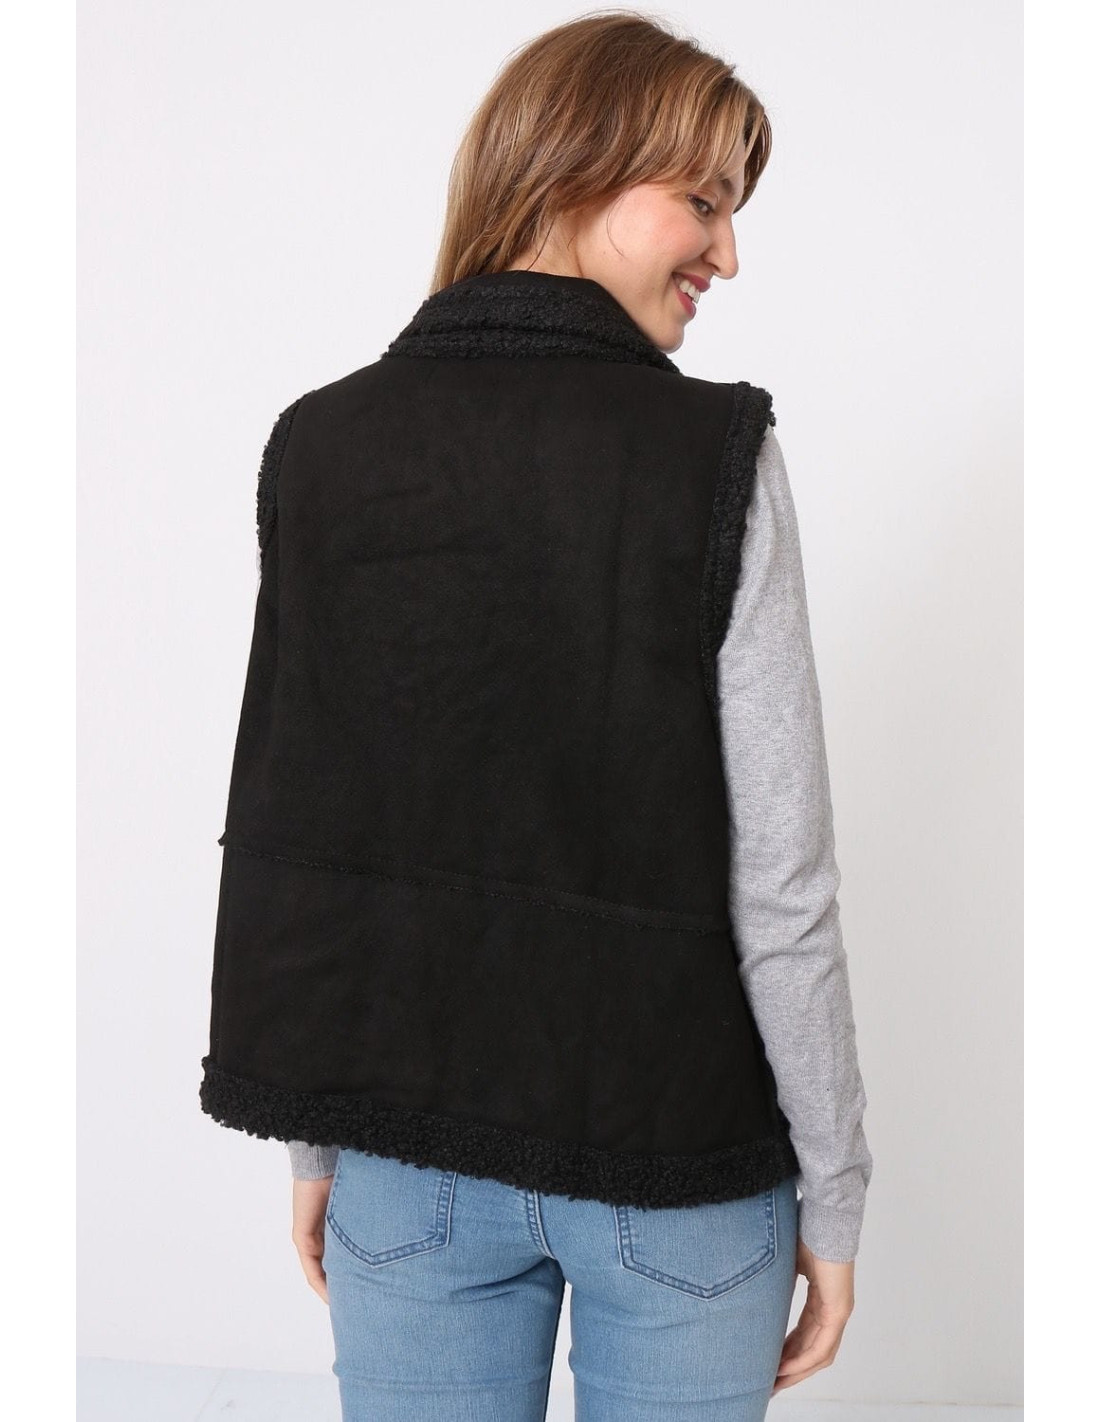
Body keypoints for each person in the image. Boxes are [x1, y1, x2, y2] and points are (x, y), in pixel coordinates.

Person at [199, 11, 873, 1420]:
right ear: (574, 173)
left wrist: (320, 1139)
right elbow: (783, 882)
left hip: (405, 1159)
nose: (728, 255)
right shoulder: (715, 455)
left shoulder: (322, 443)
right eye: (704, 202)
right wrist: (836, 1192)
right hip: (678, 1164)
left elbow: (305, 820)